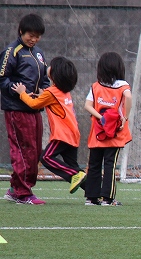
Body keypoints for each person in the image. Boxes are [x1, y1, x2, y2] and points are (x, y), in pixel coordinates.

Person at [12, 56, 85, 196]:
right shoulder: (62, 92)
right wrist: (42, 94)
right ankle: (94, 193)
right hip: (73, 133)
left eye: (51, 66)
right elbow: (48, 99)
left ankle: (73, 174)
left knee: (46, 157)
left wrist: (22, 93)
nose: (48, 67)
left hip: (62, 135)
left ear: (55, 74)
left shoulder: (52, 92)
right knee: (74, 167)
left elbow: (34, 104)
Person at [1, 13, 49, 204]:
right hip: (16, 109)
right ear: (21, 31)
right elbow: (3, 79)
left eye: (37, 36)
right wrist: (18, 91)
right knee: (23, 149)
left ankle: (15, 189)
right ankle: (23, 192)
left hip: (35, 108)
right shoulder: (11, 51)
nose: (34, 39)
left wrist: (44, 90)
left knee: (35, 150)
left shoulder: (39, 53)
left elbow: (44, 78)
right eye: (31, 35)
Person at [83, 52, 132, 206]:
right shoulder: (122, 86)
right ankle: (108, 198)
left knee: (95, 164)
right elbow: (129, 97)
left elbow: (87, 106)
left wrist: (100, 117)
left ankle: (91, 198)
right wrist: (125, 117)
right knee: (110, 163)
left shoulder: (95, 86)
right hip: (114, 133)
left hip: (98, 133)